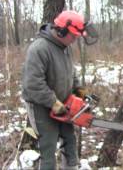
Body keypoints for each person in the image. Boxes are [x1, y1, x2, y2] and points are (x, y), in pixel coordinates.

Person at [22, 10, 97, 170]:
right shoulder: (39, 48)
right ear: (61, 31)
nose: (75, 39)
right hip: (40, 105)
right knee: (47, 145)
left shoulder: (65, 47)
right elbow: (33, 83)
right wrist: (53, 102)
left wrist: (82, 95)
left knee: (70, 141)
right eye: (74, 35)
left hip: (63, 103)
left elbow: (72, 76)